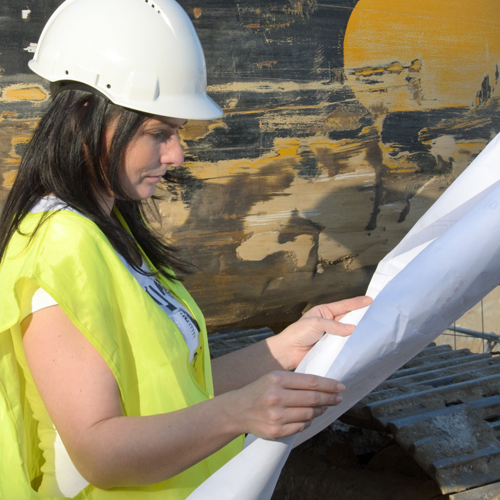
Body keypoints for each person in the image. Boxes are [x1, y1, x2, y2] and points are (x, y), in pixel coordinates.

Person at [0, 0, 372, 498]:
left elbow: (172, 385)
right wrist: (237, 412)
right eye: (159, 133)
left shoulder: (108, 228)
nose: (176, 154)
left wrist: (285, 348)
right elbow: (99, 453)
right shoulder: (61, 246)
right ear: (86, 117)